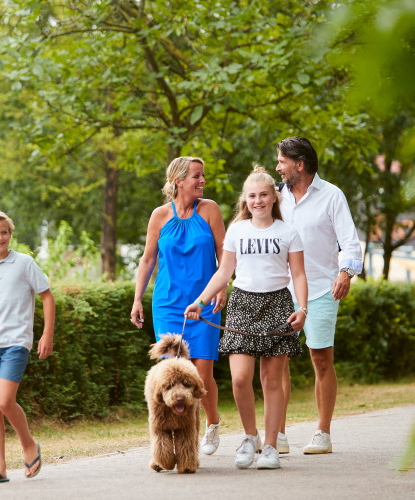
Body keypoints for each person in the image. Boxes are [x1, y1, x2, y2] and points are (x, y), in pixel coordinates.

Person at [185, 165, 308, 470]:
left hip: (278, 304)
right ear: (245, 200)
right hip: (242, 303)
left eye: (264, 194)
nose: (258, 201)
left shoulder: (288, 232)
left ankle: (270, 446)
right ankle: (249, 437)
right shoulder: (238, 231)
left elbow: (299, 274)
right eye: (252, 195)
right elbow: (224, 272)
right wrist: (200, 301)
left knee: (271, 381)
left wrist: (302, 308)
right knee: (240, 379)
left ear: (273, 197)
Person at [130, 156, 228, 456]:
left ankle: (211, 424)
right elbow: (147, 260)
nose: (203, 181)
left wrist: (222, 286)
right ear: (179, 181)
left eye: (203, 176)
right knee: (172, 377)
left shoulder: (210, 210)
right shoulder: (159, 216)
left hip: (205, 302)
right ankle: (173, 439)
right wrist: (137, 299)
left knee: (201, 374)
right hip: (168, 306)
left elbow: (225, 252)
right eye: (197, 176)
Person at [275, 136, 363, 455]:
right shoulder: (275, 197)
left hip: (321, 288)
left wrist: (345, 272)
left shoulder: (331, 196)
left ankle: (323, 433)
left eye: (282, 161)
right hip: (281, 290)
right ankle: (278, 433)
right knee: (277, 361)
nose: (277, 167)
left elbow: (350, 242)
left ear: (300, 164)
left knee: (321, 359)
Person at [0, 210, 56, 484]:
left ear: (10, 234)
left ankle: (28, 443)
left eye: (4, 232)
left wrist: (47, 335)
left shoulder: (24, 263)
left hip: (16, 342)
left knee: (5, 400)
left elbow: (47, 297)